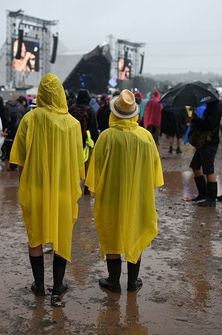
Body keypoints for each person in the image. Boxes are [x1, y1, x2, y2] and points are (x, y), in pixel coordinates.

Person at [9, 73, 84, 307]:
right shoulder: (73, 124)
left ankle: (39, 286)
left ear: (40, 93)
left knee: (35, 237)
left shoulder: (30, 119)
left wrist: (24, 184)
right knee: (61, 237)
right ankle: (58, 286)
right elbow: (77, 162)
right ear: (61, 94)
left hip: (34, 188)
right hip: (63, 190)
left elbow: (20, 160)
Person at [85, 89, 163, 293]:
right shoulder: (146, 137)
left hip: (110, 196)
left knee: (112, 234)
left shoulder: (107, 137)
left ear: (115, 113)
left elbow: (95, 169)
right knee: (135, 233)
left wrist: (94, 191)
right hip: (139, 196)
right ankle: (132, 282)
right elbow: (155, 171)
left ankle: (113, 281)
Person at [188, 100, 222, 206]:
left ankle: (211, 199)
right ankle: (203, 194)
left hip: (209, 141)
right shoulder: (211, 106)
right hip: (203, 142)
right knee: (195, 166)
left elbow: (209, 124)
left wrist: (196, 119)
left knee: (208, 169)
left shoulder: (215, 107)